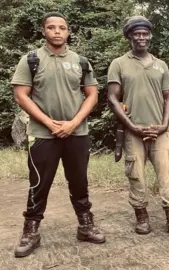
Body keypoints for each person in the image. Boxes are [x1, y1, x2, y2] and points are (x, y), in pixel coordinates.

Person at [11, 12, 105, 257]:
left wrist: (73, 123)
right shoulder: (31, 60)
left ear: (68, 32)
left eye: (61, 27)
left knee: (79, 181)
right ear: (44, 31)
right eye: (51, 27)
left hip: (77, 133)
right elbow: (21, 95)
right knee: (39, 184)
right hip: (43, 135)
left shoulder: (81, 61)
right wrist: (49, 123)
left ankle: (85, 225)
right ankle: (31, 230)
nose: (57, 31)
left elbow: (92, 95)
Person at [107, 16, 169, 238]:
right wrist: (131, 125)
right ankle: (141, 216)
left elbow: (168, 97)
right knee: (136, 175)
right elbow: (113, 98)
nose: (141, 37)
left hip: (159, 131)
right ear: (129, 36)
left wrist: (164, 125)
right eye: (137, 34)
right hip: (133, 131)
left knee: (167, 174)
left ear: (150, 36)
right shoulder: (119, 63)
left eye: (145, 33)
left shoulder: (160, 65)